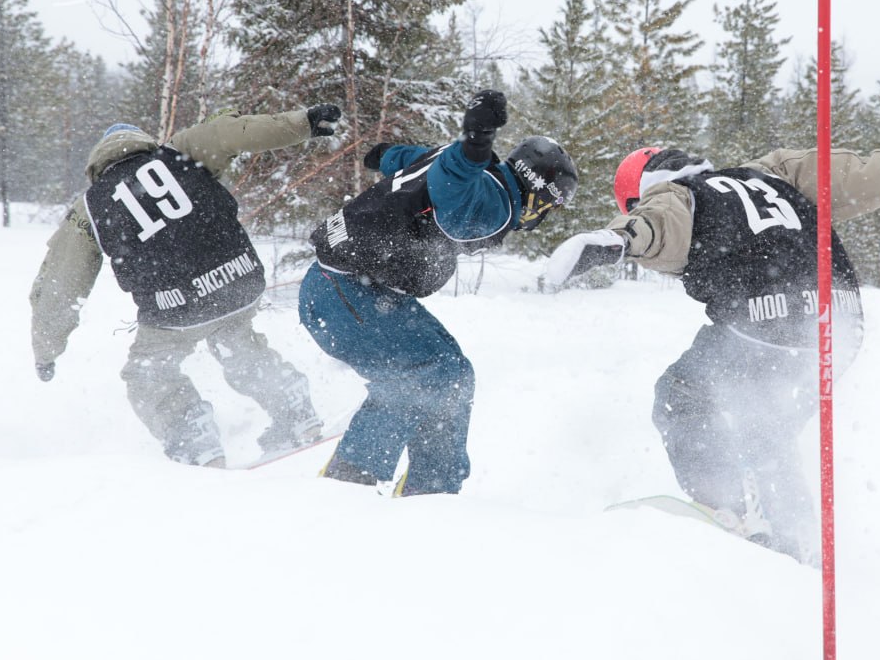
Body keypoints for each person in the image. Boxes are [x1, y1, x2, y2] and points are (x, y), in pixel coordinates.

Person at [545, 144, 880, 563]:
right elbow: (851, 175)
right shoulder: (772, 172)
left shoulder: (678, 194)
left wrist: (617, 239)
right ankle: (793, 535)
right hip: (837, 324)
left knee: (681, 394)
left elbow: (660, 222)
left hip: (764, 323)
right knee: (769, 429)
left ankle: (729, 508)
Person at [29, 104, 343, 468]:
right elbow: (232, 131)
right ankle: (292, 405)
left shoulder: (90, 207)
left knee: (148, 374)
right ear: (143, 142)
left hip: (175, 307)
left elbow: (60, 285)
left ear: (98, 162)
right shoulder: (180, 151)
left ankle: (192, 435)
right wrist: (302, 124)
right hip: (238, 278)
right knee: (236, 342)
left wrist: (46, 350)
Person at [299, 89, 576, 496]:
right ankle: (349, 479)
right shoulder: (489, 201)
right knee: (424, 373)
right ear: (536, 196)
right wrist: (477, 139)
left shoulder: (479, 175)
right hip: (345, 293)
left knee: (452, 373)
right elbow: (453, 179)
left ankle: (433, 491)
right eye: (549, 207)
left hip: (350, 289)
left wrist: (385, 155)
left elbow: (418, 159)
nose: (544, 216)